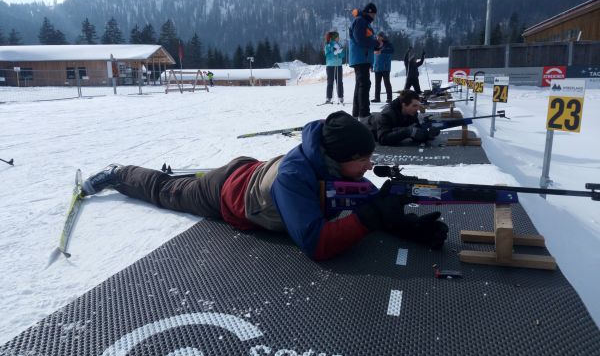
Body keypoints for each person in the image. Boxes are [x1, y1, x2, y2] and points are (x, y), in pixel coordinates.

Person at [81, 111, 448, 261]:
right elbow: (317, 244)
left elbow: (366, 205)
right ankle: (120, 172)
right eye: (364, 159)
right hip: (223, 192)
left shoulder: (340, 167)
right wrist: (371, 217)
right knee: (167, 190)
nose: (369, 166)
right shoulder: (295, 179)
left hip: (255, 172)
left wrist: (407, 226)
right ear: (340, 157)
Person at [348, 2, 382, 124]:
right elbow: (360, 39)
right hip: (360, 58)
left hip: (362, 58)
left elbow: (365, 40)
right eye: (374, 14)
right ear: (370, 12)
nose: (374, 17)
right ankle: (364, 114)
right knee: (364, 84)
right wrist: (375, 44)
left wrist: (376, 47)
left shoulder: (363, 22)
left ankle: (356, 114)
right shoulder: (361, 21)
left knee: (360, 85)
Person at [367, 90, 440, 145]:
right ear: (404, 105)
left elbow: (416, 132)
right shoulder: (387, 115)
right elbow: (383, 139)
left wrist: (428, 134)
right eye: (414, 106)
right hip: (365, 134)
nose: (417, 108)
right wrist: (407, 132)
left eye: (418, 105)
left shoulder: (411, 113)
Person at [372, 31, 394, 104]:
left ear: (383, 37)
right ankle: (377, 98)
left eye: (379, 36)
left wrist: (381, 51)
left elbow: (392, 50)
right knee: (377, 83)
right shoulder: (375, 44)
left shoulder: (388, 44)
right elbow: (372, 55)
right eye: (377, 36)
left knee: (386, 82)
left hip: (385, 67)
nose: (378, 37)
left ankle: (389, 98)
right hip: (377, 67)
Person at [323, 31, 345, 104]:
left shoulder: (339, 45)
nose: (338, 38)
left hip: (338, 65)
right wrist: (334, 53)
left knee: (339, 82)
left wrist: (340, 52)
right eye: (337, 37)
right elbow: (327, 55)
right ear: (334, 37)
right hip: (330, 66)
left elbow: (343, 55)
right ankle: (328, 98)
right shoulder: (328, 45)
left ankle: (341, 97)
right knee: (330, 82)